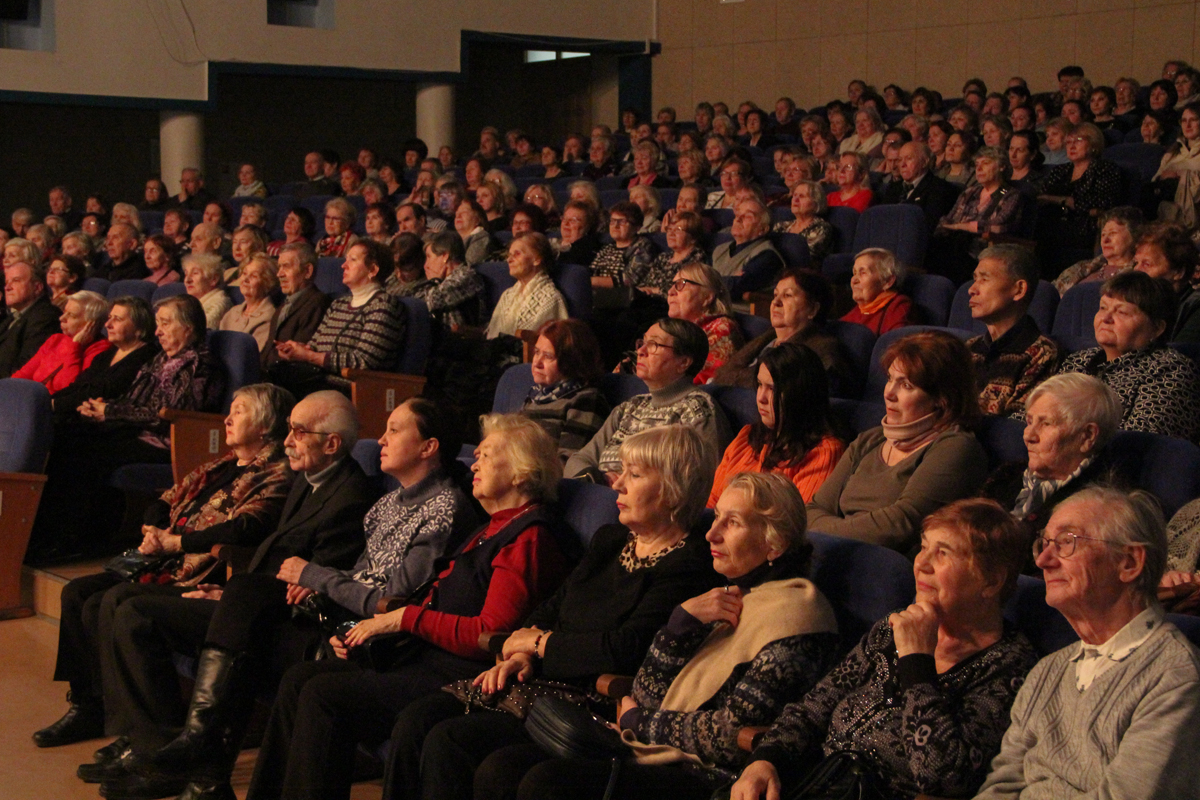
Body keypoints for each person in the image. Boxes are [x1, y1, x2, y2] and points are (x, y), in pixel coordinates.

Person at [93, 397, 469, 800]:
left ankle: (201, 754)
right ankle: (201, 770)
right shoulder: (386, 503)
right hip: (336, 620)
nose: (381, 438)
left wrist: (315, 578)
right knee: (147, 604)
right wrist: (319, 582)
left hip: (375, 640)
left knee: (253, 624)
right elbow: (359, 574)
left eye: (395, 429)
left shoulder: (441, 507)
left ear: (429, 447)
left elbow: (393, 596)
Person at [385, 424, 726, 800]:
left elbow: (626, 649)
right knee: (418, 720)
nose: (618, 485)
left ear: (673, 489)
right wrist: (520, 654)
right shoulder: (611, 540)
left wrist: (542, 645)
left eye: (636, 475)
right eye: (622, 472)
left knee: (453, 742)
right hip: (538, 680)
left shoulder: (689, 564)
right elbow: (553, 606)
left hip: (588, 701)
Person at [243, 413, 571, 800]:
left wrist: (403, 619)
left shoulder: (528, 537)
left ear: (521, 472)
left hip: (461, 672)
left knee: (324, 695)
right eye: (476, 454)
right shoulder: (490, 527)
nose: (474, 463)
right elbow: (427, 599)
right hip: (423, 657)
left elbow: (491, 634)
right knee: (300, 679)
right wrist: (366, 637)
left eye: (486, 455)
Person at [31, 384, 295, 754]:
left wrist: (178, 543)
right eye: (230, 409)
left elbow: (246, 526)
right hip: (161, 557)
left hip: (197, 569)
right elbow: (166, 498)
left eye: (240, 411)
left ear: (266, 426)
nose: (228, 418)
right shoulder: (220, 464)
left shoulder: (276, 473)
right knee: (76, 592)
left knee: (104, 602)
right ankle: (88, 706)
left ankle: (140, 732)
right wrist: (154, 527)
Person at [730, 498, 1039, 800]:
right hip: (814, 780)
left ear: (991, 581)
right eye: (923, 546)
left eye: (943, 553)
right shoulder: (892, 629)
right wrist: (765, 760)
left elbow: (942, 776)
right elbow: (813, 708)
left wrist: (916, 660)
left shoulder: (1010, 669)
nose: (922, 563)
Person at [975, 487, 1200, 800]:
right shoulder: (1047, 671)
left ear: (1129, 563)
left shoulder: (1175, 678)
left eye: (1067, 542)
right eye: (1044, 543)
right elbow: (999, 787)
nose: (1042, 560)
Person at [806, 331, 989, 551]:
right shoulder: (870, 439)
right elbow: (814, 510)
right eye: (890, 379)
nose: (889, 393)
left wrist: (824, 531)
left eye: (906, 385)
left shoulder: (955, 447)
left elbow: (900, 525)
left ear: (942, 399)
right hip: (834, 553)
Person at [565, 318, 728, 483]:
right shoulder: (631, 406)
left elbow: (702, 481)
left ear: (683, 362)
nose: (641, 351)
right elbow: (578, 460)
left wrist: (627, 484)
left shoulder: (699, 410)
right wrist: (596, 480)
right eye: (642, 342)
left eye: (654, 344)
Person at [1057, 271, 1200, 440]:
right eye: (1103, 308)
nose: (1106, 318)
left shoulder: (1172, 370)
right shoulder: (1079, 360)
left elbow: (1137, 443)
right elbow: (1034, 415)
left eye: (1122, 312)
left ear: (1157, 328)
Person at [982, 373, 1123, 538]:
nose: (1028, 436)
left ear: (1087, 436)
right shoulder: (1007, 475)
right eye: (1029, 422)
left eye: (1046, 423)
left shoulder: (1097, 507)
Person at [709, 342, 844, 507]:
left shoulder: (824, 452)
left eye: (772, 389)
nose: (761, 398)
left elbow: (795, 523)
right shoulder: (747, 436)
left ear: (800, 393)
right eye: (759, 385)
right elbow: (712, 502)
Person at [272, 240, 407, 397]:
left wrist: (310, 356)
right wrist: (297, 349)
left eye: (353, 260)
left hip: (352, 389)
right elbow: (314, 346)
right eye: (346, 259)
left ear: (373, 269)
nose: (344, 265)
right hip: (318, 381)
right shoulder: (339, 304)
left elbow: (363, 363)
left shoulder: (383, 305)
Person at [714, 269, 848, 394]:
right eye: (775, 295)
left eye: (788, 295)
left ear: (813, 309)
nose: (776, 302)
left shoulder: (821, 350)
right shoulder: (768, 337)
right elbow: (722, 375)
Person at [964, 245, 1060, 416]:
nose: (972, 290)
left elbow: (1016, 426)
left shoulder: (1041, 354)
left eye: (984, 279)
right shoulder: (969, 348)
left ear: (1019, 290)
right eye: (975, 279)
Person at [519, 319, 611, 462]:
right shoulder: (536, 394)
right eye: (536, 352)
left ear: (572, 361)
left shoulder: (585, 401)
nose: (536, 363)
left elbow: (567, 463)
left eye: (548, 356)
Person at [1037, 122, 1123, 270]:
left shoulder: (1106, 169)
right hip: (1050, 227)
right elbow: (1041, 197)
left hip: (1084, 230)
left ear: (1093, 144)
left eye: (1078, 140)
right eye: (1069, 142)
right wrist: (1068, 202)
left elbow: (1103, 204)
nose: (1071, 146)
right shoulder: (1060, 170)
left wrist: (1059, 200)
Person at [12, 289, 111, 394]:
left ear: (91, 324)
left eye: (71, 315)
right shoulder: (56, 340)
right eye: (64, 312)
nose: (61, 318)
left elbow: (68, 388)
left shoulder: (101, 349)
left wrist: (75, 346)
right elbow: (22, 375)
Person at [666, 262, 743, 384]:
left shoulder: (721, 328)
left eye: (680, 284)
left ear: (707, 297)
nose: (670, 292)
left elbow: (707, 381)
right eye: (672, 285)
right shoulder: (672, 330)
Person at [262, 242, 331, 371]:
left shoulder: (317, 303)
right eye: (279, 267)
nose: (279, 274)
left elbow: (298, 358)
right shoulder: (284, 305)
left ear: (307, 271)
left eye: (286, 267)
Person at [485, 232, 568, 339]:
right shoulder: (507, 294)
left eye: (517, 254)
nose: (509, 260)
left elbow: (552, 343)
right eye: (509, 255)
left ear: (537, 259)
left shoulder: (551, 298)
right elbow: (492, 334)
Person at [1051, 207, 1141, 296]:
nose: (1105, 240)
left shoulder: (1137, 276)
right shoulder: (1082, 267)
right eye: (1103, 234)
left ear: (1134, 236)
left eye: (1112, 233)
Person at [712, 199, 785, 300]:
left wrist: (708, 280)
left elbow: (735, 287)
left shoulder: (767, 255)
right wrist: (728, 279)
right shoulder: (720, 249)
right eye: (737, 215)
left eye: (747, 216)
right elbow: (699, 277)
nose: (738, 219)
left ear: (762, 229)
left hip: (738, 312)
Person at [0, 260, 62, 378]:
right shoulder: (13, 317)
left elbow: (26, 365)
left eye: (16, 281)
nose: (7, 287)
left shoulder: (45, 316)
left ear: (37, 287)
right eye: (6, 282)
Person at [840, 248, 912, 335]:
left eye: (863, 273)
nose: (854, 280)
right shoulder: (860, 308)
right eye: (854, 273)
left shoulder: (898, 306)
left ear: (887, 281)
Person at [1151, 102, 1200, 227]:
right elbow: (1155, 181)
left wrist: (1182, 175)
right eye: (1183, 120)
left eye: (1193, 120)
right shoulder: (1171, 153)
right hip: (1166, 207)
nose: (1187, 125)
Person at [219, 254, 279, 353]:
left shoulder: (269, 317)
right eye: (244, 273)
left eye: (253, 276)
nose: (245, 279)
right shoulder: (233, 312)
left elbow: (253, 357)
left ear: (268, 282)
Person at [771, 180, 835, 265]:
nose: (795, 199)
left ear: (815, 203)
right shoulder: (781, 226)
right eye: (794, 195)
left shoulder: (821, 228)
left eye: (802, 196)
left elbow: (804, 256)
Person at [182, 253, 232, 330]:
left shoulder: (219, 304)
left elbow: (194, 332)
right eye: (186, 274)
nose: (187, 280)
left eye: (195, 273)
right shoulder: (190, 302)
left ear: (213, 279)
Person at [554, 201, 603, 269]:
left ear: (587, 226)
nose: (566, 223)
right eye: (564, 219)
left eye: (573, 220)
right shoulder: (552, 244)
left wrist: (572, 244)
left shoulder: (589, 249)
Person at [453, 200, 496, 267]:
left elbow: (469, 265)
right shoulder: (452, 240)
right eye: (456, 214)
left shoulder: (482, 238)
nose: (458, 216)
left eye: (464, 212)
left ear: (477, 219)